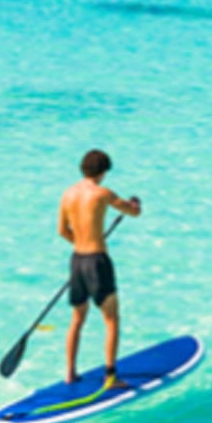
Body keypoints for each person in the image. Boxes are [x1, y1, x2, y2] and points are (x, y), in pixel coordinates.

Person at [58, 149, 142, 388]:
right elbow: (133, 212)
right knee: (111, 319)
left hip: (77, 261)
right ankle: (111, 376)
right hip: (97, 262)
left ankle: (70, 372)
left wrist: (82, 244)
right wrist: (135, 204)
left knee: (77, 318)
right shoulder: (102, 193)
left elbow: (62, 231)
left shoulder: (68, 194)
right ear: (103, 172)